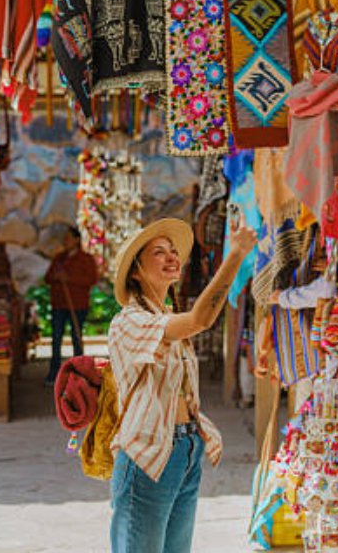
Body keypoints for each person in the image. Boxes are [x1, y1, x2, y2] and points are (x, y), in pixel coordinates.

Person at [108, 216, 256, 553]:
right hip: (148, 453)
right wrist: (234, 256)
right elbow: (201, 320)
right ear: (135, 270)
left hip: (185, 448)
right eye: (159, 253)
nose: (171, 256)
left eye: (173, 251)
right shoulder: (128, 321)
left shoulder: (165, 318)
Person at [45, 226, 99, 385]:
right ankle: (53, 374)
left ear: (76, 240)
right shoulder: (58, 258)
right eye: (65, 238)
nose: (65, 241)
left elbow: (91, 280)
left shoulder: (86, 259)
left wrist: (69, 278)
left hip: (77, 305)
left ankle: (80, 374)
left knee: (76, 338)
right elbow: (48, 278)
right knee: (56, 339)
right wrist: (56, 277)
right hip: (59, 304)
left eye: (68, 238)